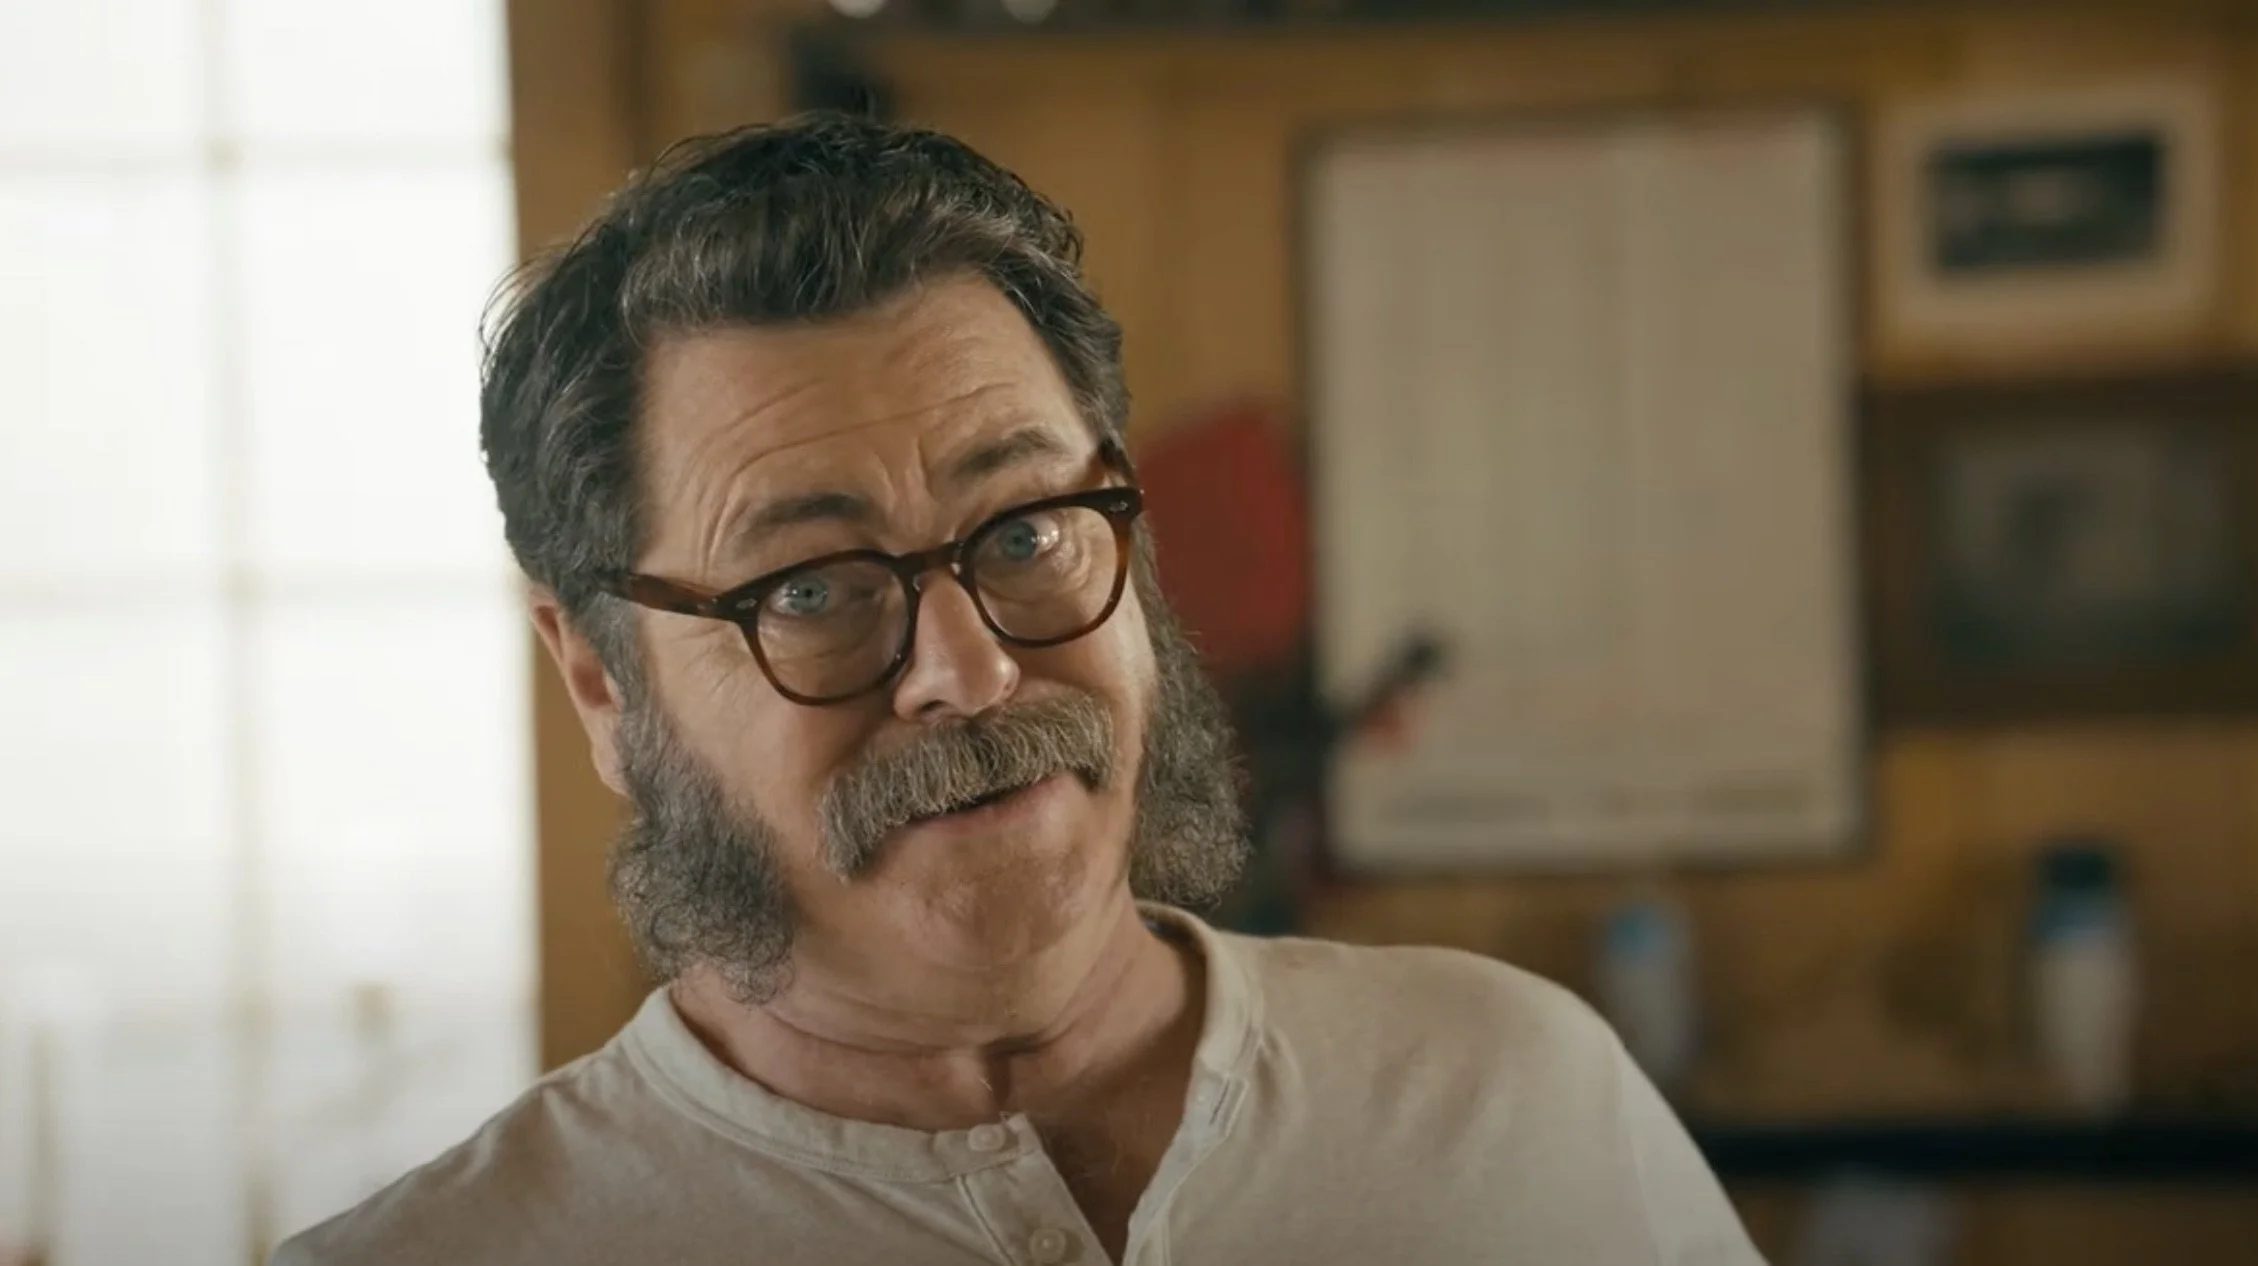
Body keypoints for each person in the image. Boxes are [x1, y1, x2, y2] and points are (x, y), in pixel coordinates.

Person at [274, 112, 1762, 1266]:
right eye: (811, 589)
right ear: (604, 682)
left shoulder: (1517, 1099)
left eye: (1027, 533)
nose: (970, 670)